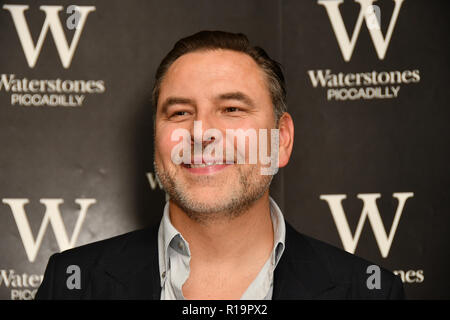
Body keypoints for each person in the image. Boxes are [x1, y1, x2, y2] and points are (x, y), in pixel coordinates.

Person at [35, 30, 404, 300]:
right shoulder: (72, 285)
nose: (202, 133)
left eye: (232, 109)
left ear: (282, 140)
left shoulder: (369, 293)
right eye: (180, 112)